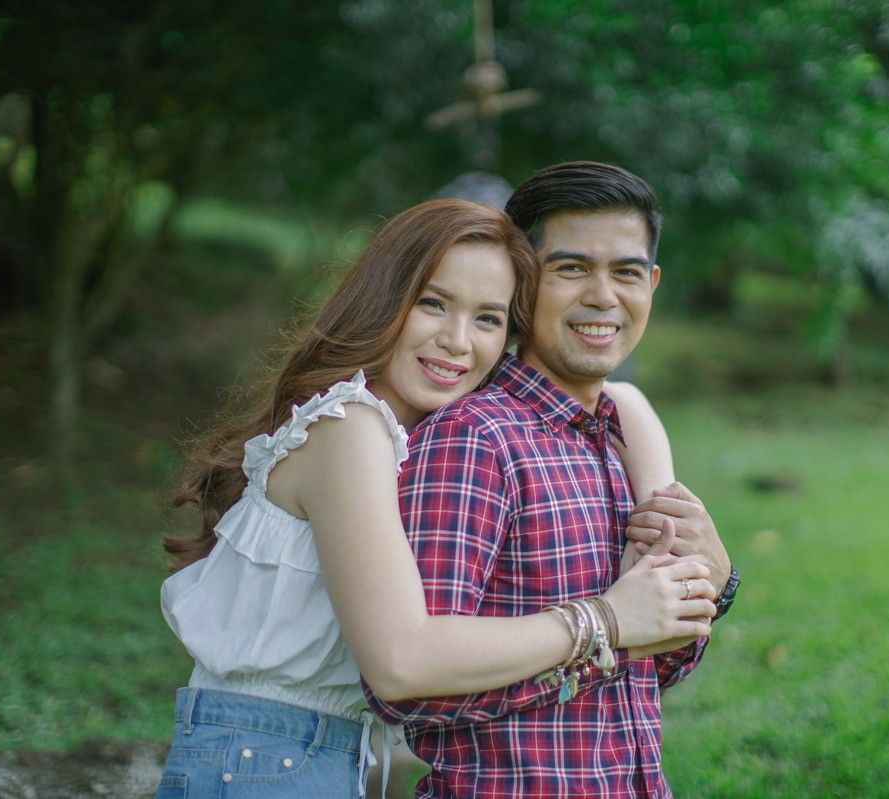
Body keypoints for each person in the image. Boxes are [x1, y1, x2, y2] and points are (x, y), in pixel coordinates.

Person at [152, 198, 718, 799]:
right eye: (434, 303)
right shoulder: (351, 428)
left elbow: (624, 401)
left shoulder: (393, 434)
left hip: (306, 756)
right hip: (260, 761)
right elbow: (401, 660)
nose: (456, 342)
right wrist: (605, 618)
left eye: (487, 319)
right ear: (386, 299)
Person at [365, 162, 739, 798]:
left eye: (625, 272)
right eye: (571, 268)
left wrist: (714, 583)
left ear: (651, 284)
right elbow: (412, 692)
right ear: (523, 284)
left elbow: (648, 670)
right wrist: (605, 629)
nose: (602, 296)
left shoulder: (617, 440)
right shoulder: (476, 439)